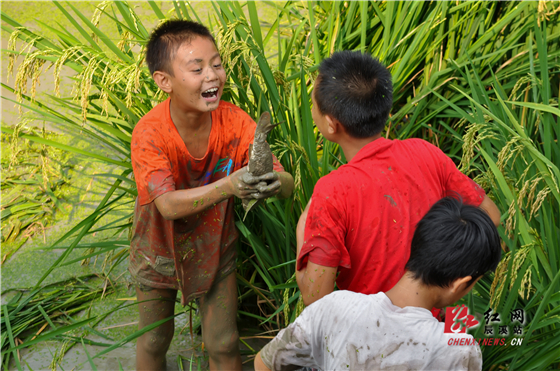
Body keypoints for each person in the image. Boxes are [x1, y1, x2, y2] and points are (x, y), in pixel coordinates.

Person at [129, 20, 294, 371]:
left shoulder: (235, 123)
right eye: (197, 68)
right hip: (159, 251)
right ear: (164, 81)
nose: (212, 76)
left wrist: (274, 183)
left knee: (224, 340)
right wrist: (229, 186)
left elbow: (286, 181)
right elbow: (168, 206)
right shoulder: (150, 133)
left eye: (216, 64)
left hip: (215, 245)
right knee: (154, 339)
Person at [295, 51, 501, 309]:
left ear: (330, 124)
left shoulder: (332, 190)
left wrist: (302, 232)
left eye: (313, 104)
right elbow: (491, 216)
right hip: (430, 326)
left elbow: (315, 299)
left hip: (369, 336)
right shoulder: (425, 153)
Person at [255, 196, 501, 370]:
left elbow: (264, 364)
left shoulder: (335, 307)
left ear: (417, 247)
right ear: (460, 284)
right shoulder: (457, 349)